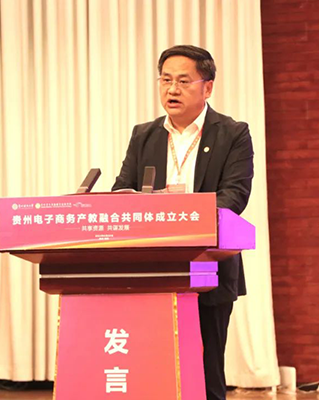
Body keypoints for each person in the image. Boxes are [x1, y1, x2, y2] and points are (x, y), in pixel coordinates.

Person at [112, 44, 254, 400]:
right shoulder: (144, 135)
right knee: (153, 369)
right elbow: (121, 192)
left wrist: (180, 219)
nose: (172, 89)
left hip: (208, 265)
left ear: (207, 87)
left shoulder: (232, 133)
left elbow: (234, 196)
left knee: (206, 371)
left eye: (183, 81)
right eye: (165, 80)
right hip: (151, 268)